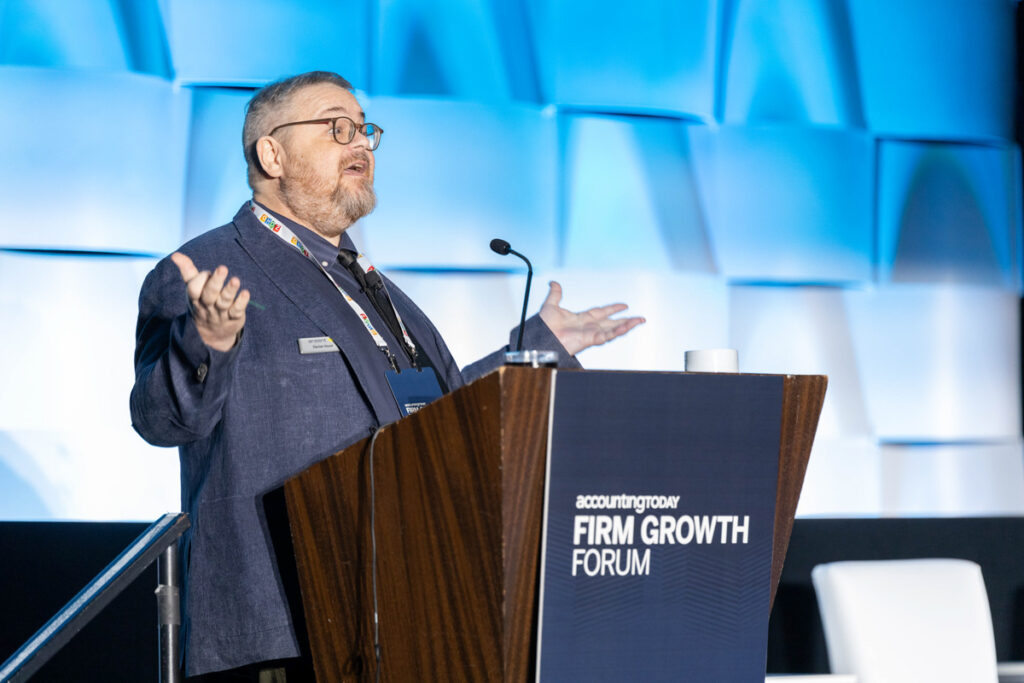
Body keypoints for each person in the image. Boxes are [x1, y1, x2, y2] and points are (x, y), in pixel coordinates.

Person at [130, 71, 643, 680]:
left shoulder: (376, 289)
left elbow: (434, 414)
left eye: (366, 130)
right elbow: (160, 421)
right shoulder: (206, 268)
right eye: (336, 128)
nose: (361, 145)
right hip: (282, 627)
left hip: (402, 613)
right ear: (272, 153)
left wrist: (541, 346)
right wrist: (209, 340)